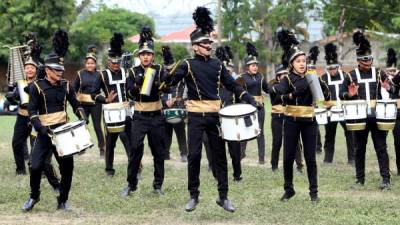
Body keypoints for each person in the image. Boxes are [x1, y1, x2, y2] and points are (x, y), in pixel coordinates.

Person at [164, 7, 258, 212]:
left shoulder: (218, 65)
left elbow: (233, 86)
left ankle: (223, 197)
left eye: (209, 42)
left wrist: (249, 98)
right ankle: (193, 195)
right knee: (194, 156)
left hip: (216, 117)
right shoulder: (187, 65)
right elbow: (170, 82)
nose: (209, 45)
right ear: (195, 46)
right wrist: (166, 75)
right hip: (196, 117)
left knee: (220, 157)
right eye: (205, 43)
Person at [22, 29, 87, 212]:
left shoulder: (66, 85)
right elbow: (32, 111)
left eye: (61, 69)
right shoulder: (35, 87)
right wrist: (41, 129)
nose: (60, 72)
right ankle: (34, 196)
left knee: (67, 168)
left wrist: (82, 114)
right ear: (48, 70)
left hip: (64, 133)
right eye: (57, 70)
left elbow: (75, 104)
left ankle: (63, 200)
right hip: (43, 133)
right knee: (35, 166)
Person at [340, 30, 392, 189]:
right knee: (359, 149)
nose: (368, 61)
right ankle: (359, 179)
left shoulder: (379, 73)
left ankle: (386, 179)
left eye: (369, 58)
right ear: (358, 60)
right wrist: (349, 94)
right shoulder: (350, 76)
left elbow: (393, 89)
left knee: (381, 148)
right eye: (364, 59)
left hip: (377, 116)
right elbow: (342, 94)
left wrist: (388, 88)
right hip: (358, 117)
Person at [272, 28, 319, 203]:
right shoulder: (287, 79)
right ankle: (289, 189)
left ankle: (314, 193)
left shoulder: (312, 77)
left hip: (309, 121)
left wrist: (347, 94)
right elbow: (275, 93)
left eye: (304, 61)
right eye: (298, 61)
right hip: (291, 121)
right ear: (292, 63)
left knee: (310, 158)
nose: (302, 64)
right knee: (288, 156)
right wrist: (290, 96)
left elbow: (325, 96)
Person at [122, 26, 167, 196]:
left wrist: (163, 81)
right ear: (139, 56)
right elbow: (129, 92)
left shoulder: (160, 69)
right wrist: (139, 84)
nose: (145, 56)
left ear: (153, 56)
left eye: (148, 54)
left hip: (156, 116)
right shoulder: (133, 72)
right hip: (140, 117)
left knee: (159, 152)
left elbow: (166, 85)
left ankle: (158, 186)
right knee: (135, 150)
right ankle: (131, 184)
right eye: (142, 54)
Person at [91, 32, 131, 177]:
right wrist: (106, 99)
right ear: (108, 62)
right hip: (111, 113)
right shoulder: (101, 75)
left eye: (118, 62)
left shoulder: (126, 73)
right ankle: (109, 169)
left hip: (126, 111)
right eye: (113, 62)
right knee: (111, 142)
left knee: (129, 140)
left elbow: (131, 90)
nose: (115, 65)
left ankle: (134, 167)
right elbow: (93, 95)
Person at [320, 43, 355, 164]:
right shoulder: (323, 78)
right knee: (329, 136)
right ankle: (327, 160)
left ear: (338, 67)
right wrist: (322, 106)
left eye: (334, 68)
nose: (332, 71)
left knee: (350, 134)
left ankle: (352, 159)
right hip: (330, 111)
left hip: (344, 110)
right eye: (330, 68)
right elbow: (319, 96)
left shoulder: (346, 76)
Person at [268, 65, 303, 172]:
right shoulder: (273, 87)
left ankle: (299, 166)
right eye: (283, 76)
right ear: (278, 77)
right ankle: (274, 166)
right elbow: (277, 98)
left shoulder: (292, 86)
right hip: (277, 117)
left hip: (290, 116)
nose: (286, 78)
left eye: (287, 75)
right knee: (277, 142)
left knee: (296, 142)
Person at [216, 45, 243, 182]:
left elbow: (241, 103)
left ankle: (237, 175)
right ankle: (219, 176)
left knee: (235, 152)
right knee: (218, 152)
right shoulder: (213, 87)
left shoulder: (235, 87)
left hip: (232, 123)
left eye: (228, 70)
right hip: (217, 123)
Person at [73, 45, 106, 157]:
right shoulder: (80, 74)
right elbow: (74, 88)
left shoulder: (100, 74)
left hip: (96, 103)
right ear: (85, 64)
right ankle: (82, 147)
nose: (90, 65)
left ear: (95, 64)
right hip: (82, 104)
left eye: (92, 63)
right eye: (88, 63)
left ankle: (102, 148)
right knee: (81, 125)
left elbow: (105, 88)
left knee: (97, 126)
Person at [238, 43, 267, 164]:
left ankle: (261, 159)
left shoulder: (261, 76)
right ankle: (241, 154)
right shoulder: (242, 77)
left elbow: (267, 89)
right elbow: (237, 92)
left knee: (260, 132)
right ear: (247, 66)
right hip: (247, 108)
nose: (255, 67)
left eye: (256, 65)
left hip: (260, 108)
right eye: (252, 65)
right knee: (245, 131)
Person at [161, 45, 188, 162]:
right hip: (165, 107)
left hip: (178, 106)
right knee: (166, 131)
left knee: (180, 131)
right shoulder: (161, 76)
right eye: (167, 69)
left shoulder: (181, 77)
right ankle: (165, 153)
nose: (169, 72)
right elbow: (158, 92)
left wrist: (181, 100)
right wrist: (165, 101)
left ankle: (184, 153)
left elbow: (187, 90)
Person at [386, 48, 400, 175]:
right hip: (398, 114)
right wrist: (388, 88)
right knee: (398, 141)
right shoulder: (398, 76)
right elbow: (393, 90)